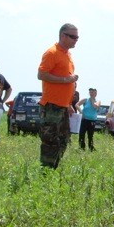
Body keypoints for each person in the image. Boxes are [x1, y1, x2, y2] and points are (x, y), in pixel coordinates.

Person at [38, 23, 80, 168]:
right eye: (73, 36)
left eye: (77, 37)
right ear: (63, 36)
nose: (76, 40)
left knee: (64, 139)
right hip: (51, 106)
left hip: (62, 107)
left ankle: (53, 168)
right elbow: (41, 74)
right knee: (50, 140)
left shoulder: (67, 55)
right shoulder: (52, 53)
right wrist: (65, 80)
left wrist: (68, 104)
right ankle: (46, 172)